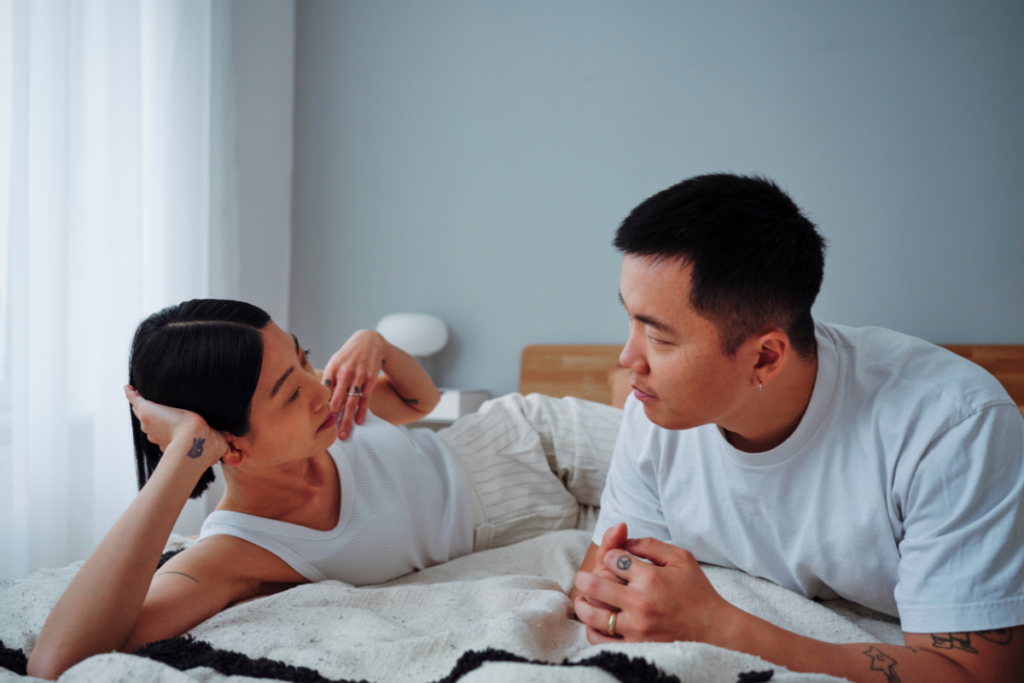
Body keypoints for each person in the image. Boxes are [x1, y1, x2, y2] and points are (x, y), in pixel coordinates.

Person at [570, 174, 1024, 683]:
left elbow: (976, 674)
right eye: (630, 320)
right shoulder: (653, 410)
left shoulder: (951, 427)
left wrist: (719, 627)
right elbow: (600, 590)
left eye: (657, 337)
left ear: (765, 356)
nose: (628, 358)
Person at [27, 299, 622, 680]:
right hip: (549, 527)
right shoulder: (237, 552)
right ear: (226, 444)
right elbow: (58, 660)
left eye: (305, 360)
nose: (318, 388)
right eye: (289, 390)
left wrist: (376, 342)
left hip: (531, 444)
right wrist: (183, 453)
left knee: (703, 466)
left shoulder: (333, 414)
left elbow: (424, 401)